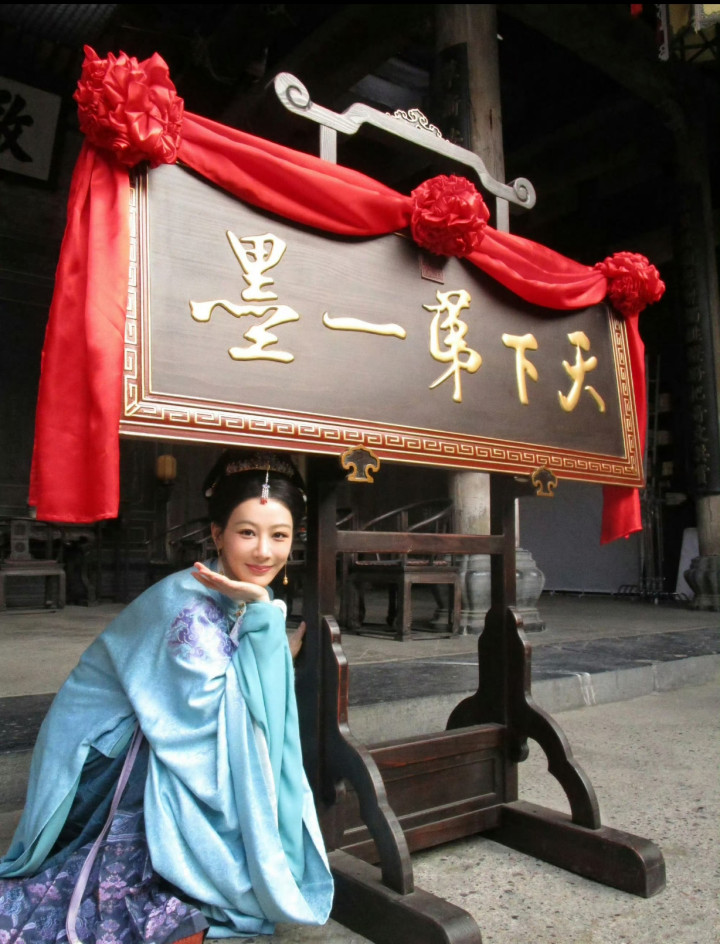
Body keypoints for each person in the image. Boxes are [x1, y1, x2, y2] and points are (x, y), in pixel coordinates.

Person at [0, 451, 333, 943]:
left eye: (279, 535)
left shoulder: (239, 591)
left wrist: (264, 632)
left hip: (162, 718)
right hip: (104, 754)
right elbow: (206, 727)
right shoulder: (190, 607)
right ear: (217, 535)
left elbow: (243, 698)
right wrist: (266, 630)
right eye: (246, 532)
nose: (264, 551)